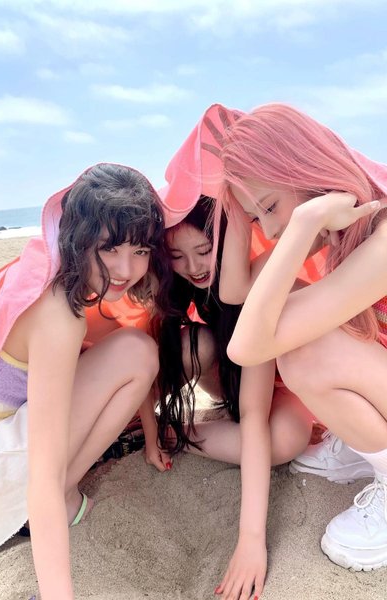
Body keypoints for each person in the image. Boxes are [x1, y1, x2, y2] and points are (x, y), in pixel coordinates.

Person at [211, 102, 387, 575]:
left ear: (308, 169)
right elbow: (238, 292)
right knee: (289, 306)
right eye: (258, 219)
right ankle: (372, 443)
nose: (270, 230)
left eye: (271, 207)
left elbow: (246, 347)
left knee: (303, 347)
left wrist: (303, 223)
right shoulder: (358, 230)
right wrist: (239, 206)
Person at [0, 163, 172, 599]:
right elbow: (42, 474)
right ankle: (63, 499)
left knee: (135, 347)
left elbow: (125, 354)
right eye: (109, 248)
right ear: (79, 238)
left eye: (140, 250)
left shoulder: (44, 280)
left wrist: (151, 435)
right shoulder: (58, 314)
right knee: (137, 350)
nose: (126, 268)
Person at [154, 196, 314, 600]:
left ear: (229, 240)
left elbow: (256, 413)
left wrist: (250, 540)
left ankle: (173, 432)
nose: (194, 267)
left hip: (287, 383)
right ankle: (151, 428)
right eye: (177, 256)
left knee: (284, 440)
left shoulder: (256, 283)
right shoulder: (183, 286)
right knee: (190, 344)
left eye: (204, 250)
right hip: (234, 379)